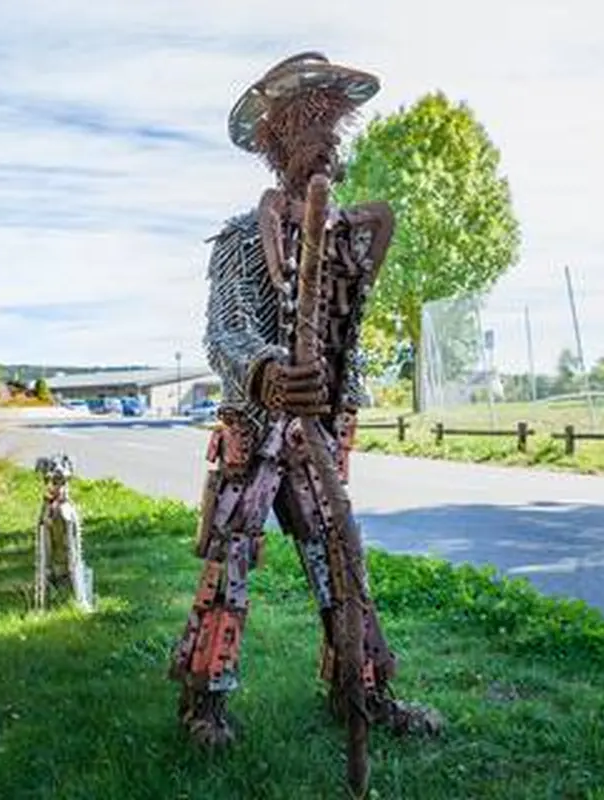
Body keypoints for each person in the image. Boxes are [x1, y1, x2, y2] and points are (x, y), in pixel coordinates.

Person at [169, 51, 441, 747]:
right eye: (303, 125)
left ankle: (364, 690)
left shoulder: (349, 237)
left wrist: (333, 389)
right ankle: (206, 703)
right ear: (276, 145)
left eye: (329, 124)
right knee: (230, 558)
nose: (321, 139)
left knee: (341, 559)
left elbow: (345, 325)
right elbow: (225, 326)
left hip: (321, 431)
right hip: (258, 432)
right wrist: (263, 371)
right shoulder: (241, 238)